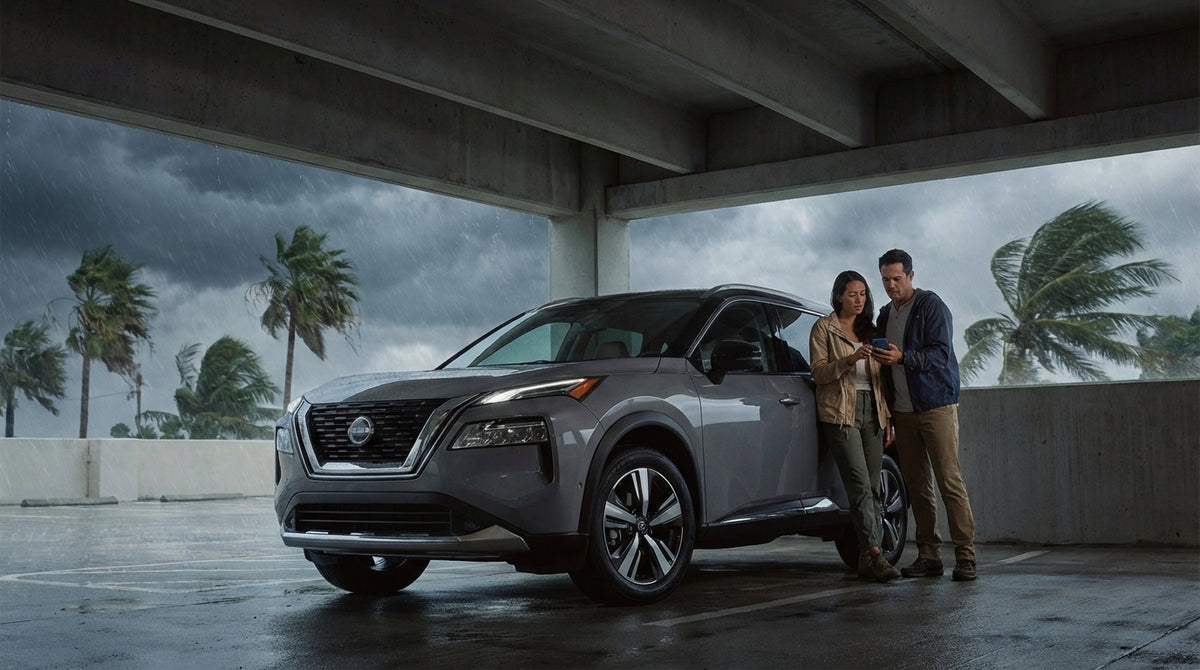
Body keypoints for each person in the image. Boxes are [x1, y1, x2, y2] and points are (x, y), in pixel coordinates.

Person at [872, 249, 977, 581]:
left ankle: (966, 556)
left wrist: (904, 357)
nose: (891, 285)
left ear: (911, 276)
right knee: (917, 486)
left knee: (949, 481)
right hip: (902, 411)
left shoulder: (931, 305)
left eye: (897, 279)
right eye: (886, 280)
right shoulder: (885, 314)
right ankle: (929, 555)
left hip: (935, 406)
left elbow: (940, 354)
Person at [809, 270, 901, 583]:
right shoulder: (824, 328)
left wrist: (886, 417)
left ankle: (865, 557)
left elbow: (881, 383)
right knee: (860, 485)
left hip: (872, 412)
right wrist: (849, 359)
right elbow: (819, 374)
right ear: (838, 296)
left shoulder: (870, 329)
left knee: (874, 488)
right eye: (852, 294)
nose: (859, 300)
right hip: (840, 414)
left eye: (863, 294)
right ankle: (876, 555)